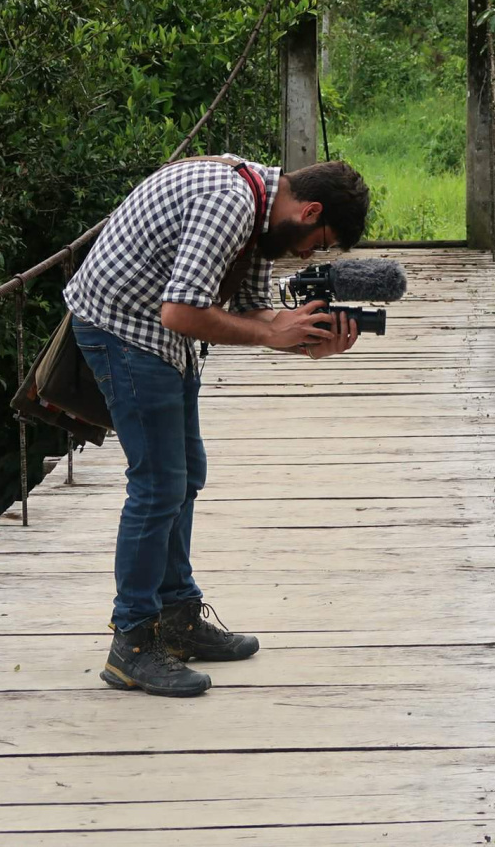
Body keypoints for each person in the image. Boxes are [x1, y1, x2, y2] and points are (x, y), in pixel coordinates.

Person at [64, 155, 370, 698]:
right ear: (309, 210)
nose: (307, 255)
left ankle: (177, 619)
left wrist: (307, 338)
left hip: (160, 333)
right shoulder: (230, 203)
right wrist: (274, 336)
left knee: (186, 475)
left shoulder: (261, 211)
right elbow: (181, 312)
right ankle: (131, 645)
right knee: (158, 485)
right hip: (123, 329)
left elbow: (253, 313)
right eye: (317, 242)